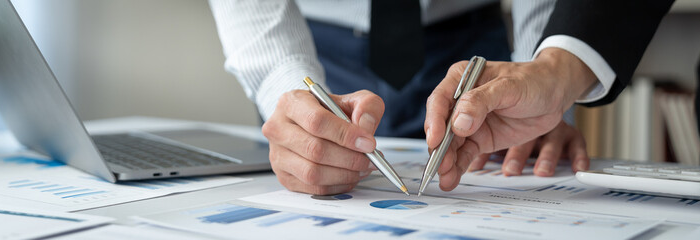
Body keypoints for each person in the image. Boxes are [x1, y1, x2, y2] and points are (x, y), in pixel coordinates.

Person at [209, 0, 670, 195]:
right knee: (312, 156)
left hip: (471, 46)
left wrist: (545, 67)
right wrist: (283, 82)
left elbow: (538, 73)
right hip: (307, 40)